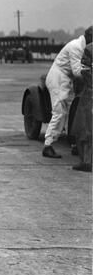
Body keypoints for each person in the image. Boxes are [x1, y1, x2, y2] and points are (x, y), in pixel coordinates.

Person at [42, 26, 93, 158]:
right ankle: (48, 146)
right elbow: (77, 71)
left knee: (63, 113)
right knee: (59, 113)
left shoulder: (82, 46)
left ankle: (75, 144)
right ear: (90, 37)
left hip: (63, 79)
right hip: (58, 78)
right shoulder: (76, 47)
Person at [71, 41, 92, 171]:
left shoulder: (89, 49)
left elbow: (83, 73)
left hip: (89, 96)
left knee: (85, 130)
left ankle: (87, 161)